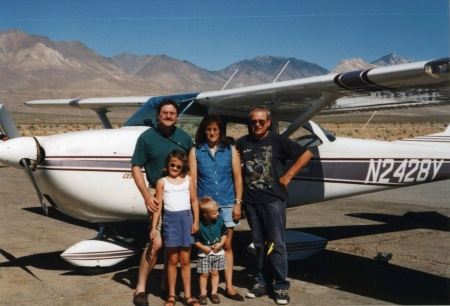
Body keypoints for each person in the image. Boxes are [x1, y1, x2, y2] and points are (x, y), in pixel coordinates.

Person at [235, 106, 313, 305]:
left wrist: (287, 177)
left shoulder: (278, 141)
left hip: (273, 201)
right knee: (259, 245)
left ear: (268, 122)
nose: (257, 124)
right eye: (254, 121)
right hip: (251, 202)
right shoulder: (242, 142)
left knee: (276, 243)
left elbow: (305, 155)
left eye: (262, 121)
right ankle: (261, 281)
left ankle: (280, 286)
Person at [131, 99, 194, 306]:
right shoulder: (147, 137)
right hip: (156, 191)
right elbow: (136, 168)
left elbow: (192, 166)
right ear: (158, 115)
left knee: (173, 243)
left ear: (177, 116)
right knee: (157, 242)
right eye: (165, 113)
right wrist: (147, 196)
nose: (168, 116)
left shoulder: (184, 137)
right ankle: (140, 288)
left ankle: (168, 287)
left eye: (172, 113)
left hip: (180, 193)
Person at [188, 114, 245, 302]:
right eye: (208, 129)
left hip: (228, 203)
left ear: (220, 131)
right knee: (205, 244)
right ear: (203, 131)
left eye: (215, 129)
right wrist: (195, 207)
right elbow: (193, 180)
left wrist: (238, 203)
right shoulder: (196, 151)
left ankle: (228, 286)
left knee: (227, 245)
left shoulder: (230, 149)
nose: (212, 132)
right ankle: (205, 289)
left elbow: (237, 177)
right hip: (205, 206)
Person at [151, 150, 200, 306]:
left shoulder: (188, 180)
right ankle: (171, 295)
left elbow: (194, 201)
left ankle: (188, 296)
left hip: (186, 220)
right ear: (167, 165)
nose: (175, 168)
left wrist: (196, 221)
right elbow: (158, 208)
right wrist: (154, 228)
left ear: (183, 167)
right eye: (172, 165)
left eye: (178, 166)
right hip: (170, 221)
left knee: (185, 260)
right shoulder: (162, 182)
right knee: (172, 260)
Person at [194, 197, 229, 305]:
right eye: (214, 213)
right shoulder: (199, 225)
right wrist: (204, 248)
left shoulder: (219, 222)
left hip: (218, 253)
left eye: (217, 211)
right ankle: (203, 293)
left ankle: (214, 293)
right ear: (206, 215)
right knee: (204, 274)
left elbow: (224, 234)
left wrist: (221, 244)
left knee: (215, 273)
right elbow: (196, 241)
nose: (217, 214)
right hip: (204, 254)